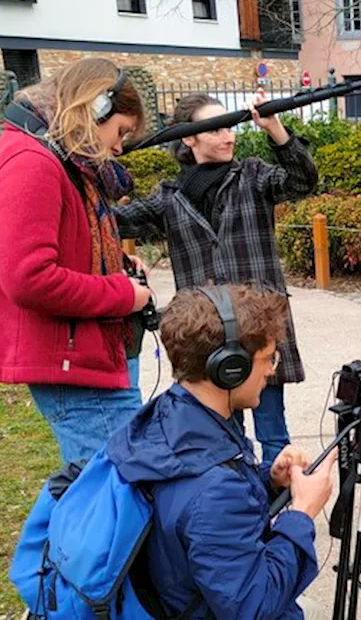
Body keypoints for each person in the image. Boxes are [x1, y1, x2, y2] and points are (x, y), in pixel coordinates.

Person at [107, 283, 337, 619]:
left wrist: (268, 480)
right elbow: (253, 607)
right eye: (267, 359)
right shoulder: (215, 489)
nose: (272, 370)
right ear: (230, 367)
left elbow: (198, 510)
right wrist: (302, 513)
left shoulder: (175, 415)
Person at [0, 57, 153, 465]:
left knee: (90, 487)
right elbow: (29, 277)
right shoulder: (32, 163)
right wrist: (121, 294)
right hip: (72, 362)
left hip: (85, 355)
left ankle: (49, 533)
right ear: (95, 107)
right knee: (110, 493)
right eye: (119, 131)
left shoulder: (54, 157)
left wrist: (115, 266)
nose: (119, 148)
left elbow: (62, 244)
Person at [116, 91, 317, 465]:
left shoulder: (253, 177)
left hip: (260, 329)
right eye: (216, 129)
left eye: (231, 127)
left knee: (274, 433)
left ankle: (283, 511)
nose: (228, 136)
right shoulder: (169, 197)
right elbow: (111, 221)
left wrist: (274, 127)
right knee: (223, 436)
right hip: (208, 334)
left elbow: (302, 180)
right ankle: (241, 506)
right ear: (188, 137)